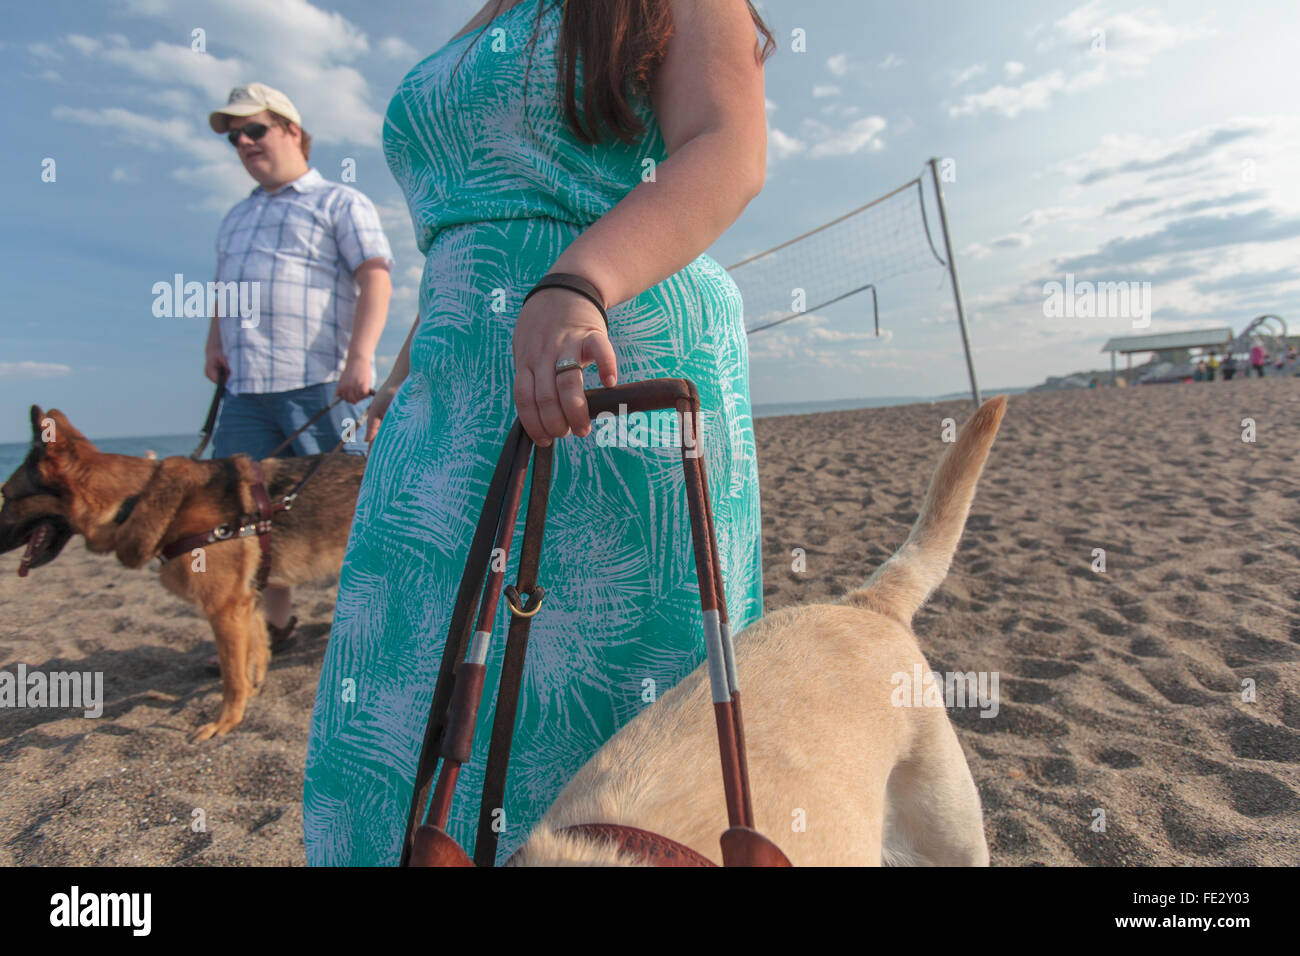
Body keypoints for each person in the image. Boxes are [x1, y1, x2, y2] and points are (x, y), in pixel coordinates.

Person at [303, 0, 774, 866]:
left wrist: (582, 280)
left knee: (594, 735)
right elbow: (473, 226)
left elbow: (728, 145)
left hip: (606, 364)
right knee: (397, 722)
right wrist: (416, 357)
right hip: (455, 389)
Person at [205, 82, 394, 656]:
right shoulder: (235, 217)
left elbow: (375, 276)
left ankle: (378, 624)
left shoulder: (339, 201)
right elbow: (223, 293)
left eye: (254, 129)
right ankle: (272, 630)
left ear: (291, 129)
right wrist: (214, 342)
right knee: (242, 521)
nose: (243, 142)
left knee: (356, 508)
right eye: (235, 136)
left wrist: (361, 357)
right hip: (244, 392)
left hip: (320, 383)